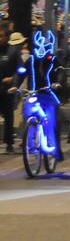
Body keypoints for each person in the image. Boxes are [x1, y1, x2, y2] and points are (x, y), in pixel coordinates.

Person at [0, 24, 22, 153]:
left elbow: (20, 70)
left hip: (8, 89)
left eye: (1, 36)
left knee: (8, 116)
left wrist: (13, 80)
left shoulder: (13, 51)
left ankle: (9, 143)